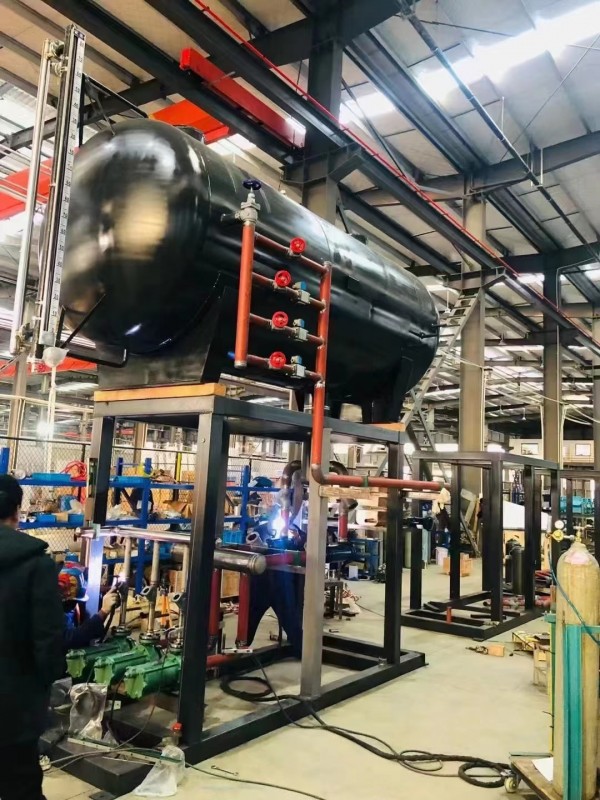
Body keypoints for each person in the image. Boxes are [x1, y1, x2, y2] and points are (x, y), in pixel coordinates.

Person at [0, 474, 64, 800]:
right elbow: (48, 641)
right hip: (15, 707)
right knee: (21, 786)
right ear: (17, 512)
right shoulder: (37, 565)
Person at [58, 560, 119, 649]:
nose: (74, 605)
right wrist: (103, 612)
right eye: (73, 601)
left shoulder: (72, 607)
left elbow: (85, 625)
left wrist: (112, 599)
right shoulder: (49, 614)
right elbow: (70, 639)